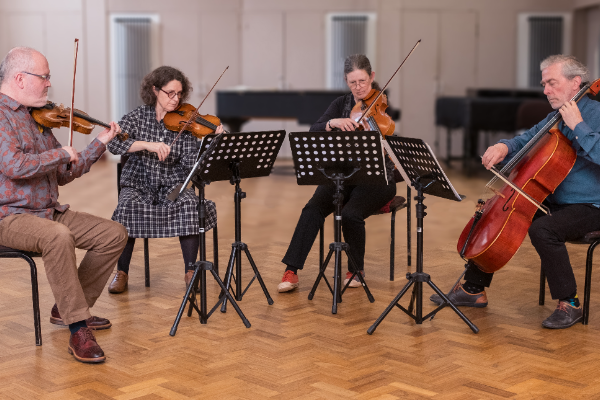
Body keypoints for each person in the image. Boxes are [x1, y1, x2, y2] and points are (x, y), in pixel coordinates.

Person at [431, 54, 600, 329]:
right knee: (501, 215)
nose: (545, 90)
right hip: (554, 199)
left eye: (552, 83)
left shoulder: (595, 115)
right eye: (544, 84)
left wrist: (578, 126)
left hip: (591, 205)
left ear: (575, 82)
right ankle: (473, 290)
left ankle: (570, 303)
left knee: (544, 229)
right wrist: (504, 147)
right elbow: (527, 138)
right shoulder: (555, 116)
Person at [0, 47, 128, 363]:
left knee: (113, 234)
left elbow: (64, 173)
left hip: (49, 211)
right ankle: (78, 327)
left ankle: (70, 307)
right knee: (58, 236)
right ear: (19, 78)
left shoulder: (39, 117)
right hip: (10, 216)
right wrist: (60, 154)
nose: (48, 84)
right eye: (44, 77)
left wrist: (101, 143)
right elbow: (14, 166)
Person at [278, 54, 397, 293]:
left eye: (363, 81)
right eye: (353, 83)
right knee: (313, 208)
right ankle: (291, 270)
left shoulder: (380, 104)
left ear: (372, 77)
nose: (359, 87)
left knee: (351, 213)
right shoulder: (340, 104)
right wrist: (333, 123)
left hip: (377, 177)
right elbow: (314, 129)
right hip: (343, 175)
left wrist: (375, 135)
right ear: (346, 81)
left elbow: (387, 136)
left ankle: (356, 269)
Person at [106, 66, 224, 293]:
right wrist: (146, 145)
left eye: (179, 94)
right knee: (126, 207)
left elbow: (192, 166)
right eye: (170, 93)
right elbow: (113, 143)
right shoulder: (137, 117)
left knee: (190, 204)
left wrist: (210, 142)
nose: (176, 99)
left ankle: (191, 272)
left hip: (173, 183)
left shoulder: (187, 125)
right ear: (155, 90)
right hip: (139, 182)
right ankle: (122, 272)